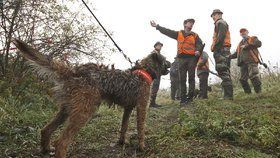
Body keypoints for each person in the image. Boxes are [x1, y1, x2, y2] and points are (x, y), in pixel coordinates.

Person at [150, 19, 203, 106]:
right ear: (185, 24)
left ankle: (190, 99)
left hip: (191, 59)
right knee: (182, 79)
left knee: (191, 78)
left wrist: (198, 50)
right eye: (190, 23)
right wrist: (157, 26)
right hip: (181, 59)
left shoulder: (195, 35)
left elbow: (200, 44)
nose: (192, 25)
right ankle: (183, 100)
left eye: (193, 24)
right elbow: (167, 31)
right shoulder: (179, 34)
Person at [230, 28, 262, 93]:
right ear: (240, 34)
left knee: (253, 75)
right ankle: (248, 94)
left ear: (247, 32)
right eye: (241, 32)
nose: (243, 33)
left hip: (251, 61)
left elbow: (259, 43)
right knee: (243, 79)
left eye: (244, 32)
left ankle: (259, 93)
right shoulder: (240, 43)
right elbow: (236, 53)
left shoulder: (253, 38)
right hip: (242, 63)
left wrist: (247, 46)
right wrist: (229, 57)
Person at [210, 9, 233, 100]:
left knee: (223, 70)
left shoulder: (220, 22)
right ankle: (228, 95)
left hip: (221, 50)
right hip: (225, 49)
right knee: (225, 71)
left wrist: (216, 49)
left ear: (218, 14)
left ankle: (228, 96)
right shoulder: (221, 23)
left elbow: (220, 37)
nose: (213, 18)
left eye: (213, 15)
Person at [150, 41, 164, 108]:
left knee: (156, 88)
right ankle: (151, 104)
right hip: (154, 73)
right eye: (158, 45)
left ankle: (152, 103)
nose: (160, 46)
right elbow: (161, 60)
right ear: (155, 46)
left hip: (158, 73)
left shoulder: (158, 53)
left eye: (161, 46)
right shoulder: (154, 53)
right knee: (154, 88)